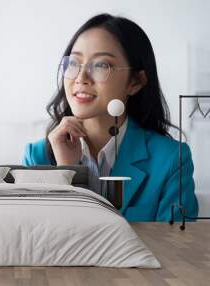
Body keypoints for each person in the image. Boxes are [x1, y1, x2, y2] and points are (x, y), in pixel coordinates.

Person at [21, 13, 198, 222]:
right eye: (74, 63)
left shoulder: (170, 159)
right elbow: (36, 246)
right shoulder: (38, 156)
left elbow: (176, 248)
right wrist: (67, 174)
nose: (81, 78)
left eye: (101, 65)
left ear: (135, 82)